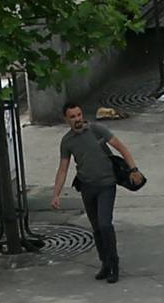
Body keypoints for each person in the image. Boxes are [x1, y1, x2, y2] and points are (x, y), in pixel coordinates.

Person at [49, 99, 140, 283]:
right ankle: (104, 263)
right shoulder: (67, 141)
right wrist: (56, 194)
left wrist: (134, 170)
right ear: (66, 119)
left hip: (107, 184)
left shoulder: (97, 130)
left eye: (79, 115)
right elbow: (63, 168)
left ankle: (114, 264)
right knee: (97, 228)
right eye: (72, 117)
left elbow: (121, 147)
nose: (77, 119)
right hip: (87, 187)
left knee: (105, 224)